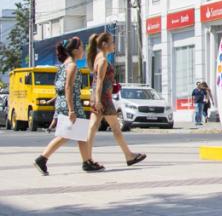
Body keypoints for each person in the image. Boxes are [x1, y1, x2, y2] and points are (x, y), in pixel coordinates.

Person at [34, 37, 102, 175]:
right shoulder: (72, 66)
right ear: (76, 50)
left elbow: (60, 88)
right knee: (66, 134)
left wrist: (57, 103)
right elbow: (68, 87)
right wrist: (71, 110)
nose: (84, 50)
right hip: (71, 105)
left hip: (66, 103)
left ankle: (87, 161)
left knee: (80, 134)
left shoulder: (63, 65)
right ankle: (42, 158)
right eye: (82, 47)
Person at [85, 32, 146, 168]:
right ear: (104, 44)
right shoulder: (102, 60)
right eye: (112, 42)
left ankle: (87, 159)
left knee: (93, 128)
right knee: (115, 129)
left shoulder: (97, 58)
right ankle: (129, 156)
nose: (114, 45)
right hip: (103, 99)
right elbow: (100, 81)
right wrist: (99, 101)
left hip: (98, 97)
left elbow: (99, 81)